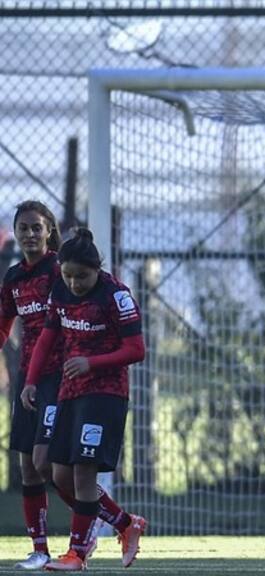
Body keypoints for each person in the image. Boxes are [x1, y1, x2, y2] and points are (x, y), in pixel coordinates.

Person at [20, 227, 147, 571]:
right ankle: (125, 523)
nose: (74, 283)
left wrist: (91, 362)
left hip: (105, 394)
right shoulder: (60, 290)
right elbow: (47, 336)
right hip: (69, 391)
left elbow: (137, 349)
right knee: (57, 475)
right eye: (68, 275)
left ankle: (77, 554)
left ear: (97, 269)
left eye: (82, 276)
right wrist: (31, 381)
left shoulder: (116, 295)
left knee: (83, 475)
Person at [1, 201, 67, 570]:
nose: (29, 234)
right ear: (15, 232)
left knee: (50, 466)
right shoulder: (13, 278)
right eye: (23, 228)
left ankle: (113, 522)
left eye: (36, 228)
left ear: (48, 231)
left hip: (60, 377)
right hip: (28, 379)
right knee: (28, 467)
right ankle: (39, 549)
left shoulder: (60, 270)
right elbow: (2, 322)